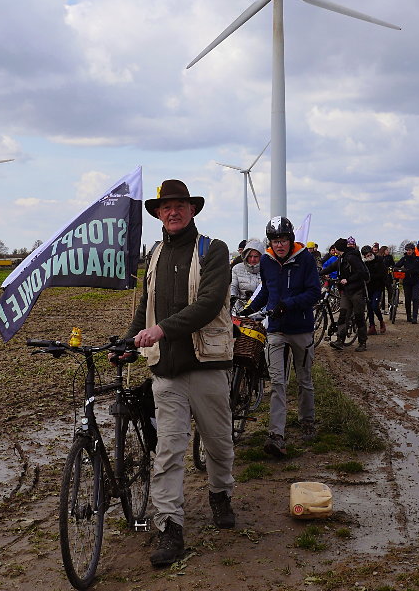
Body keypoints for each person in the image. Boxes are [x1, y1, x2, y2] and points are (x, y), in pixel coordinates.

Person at [126, 179, 235, 567]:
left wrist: (162, 329)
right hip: (167, 372)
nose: (172, 212)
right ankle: (170, 527)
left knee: (219, 443)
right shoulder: (154, 254)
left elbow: (208, 304)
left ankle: (220, 493)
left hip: (206, 366)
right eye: (165, 206)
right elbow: (146, 305)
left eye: (180, 205)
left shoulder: (214, 250)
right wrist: (128, 340)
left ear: (192, 210)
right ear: (158, 213)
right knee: (168, 451)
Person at [246, 216, 321, 458]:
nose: (279, 245)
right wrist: (248, 309)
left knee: (304, 379)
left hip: (300, 329)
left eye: (283, 240)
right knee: (278, 383)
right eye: (275, 240)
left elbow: (313, 293)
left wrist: (287, 305)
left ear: (291, 240)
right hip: (276, 330)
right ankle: (276, 435)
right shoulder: (267, 262)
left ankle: (307, 420)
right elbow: (267, 290)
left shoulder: (305, 260)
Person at [326, 238, 369, 352]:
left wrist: (348, 280)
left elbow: (362, 273)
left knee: (359, 316)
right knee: (343, 315)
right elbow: (332, 267)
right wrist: (319, 272)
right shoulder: (341, 258)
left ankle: (362, 342)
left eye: (335, 247)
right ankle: (340, 340)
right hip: (346, 291)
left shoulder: (352, 258)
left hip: (357, 291)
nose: (334, 249)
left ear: (338, 248)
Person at [394, 243, 419, 323]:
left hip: (416, 281)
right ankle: (408, 316)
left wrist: (414, 271)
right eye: (407, 250)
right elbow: (397, 265)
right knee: (407, 299)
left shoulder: (417, 259)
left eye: (410, 250)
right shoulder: (404, 259)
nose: (408, 251)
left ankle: (415, 317)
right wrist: (398, 269)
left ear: (413, 250)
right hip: (407, 282)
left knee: (416, 298)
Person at [230, 239, 265, 316]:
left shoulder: (267, 269)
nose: (253, 259)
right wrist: (233, 297)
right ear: (246, 256)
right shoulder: (237, 268)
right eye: (250, 256)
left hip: (261, 311)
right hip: (240, 308)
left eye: (256, 256)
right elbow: (233, 286)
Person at [361, 245, 388, 335]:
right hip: (368, 288)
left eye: (369, 255)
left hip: (378, 287)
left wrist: (371, 277)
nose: (368, 257)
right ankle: (372, 326)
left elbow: (383, 273)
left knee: (375, 306)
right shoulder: (363, 263)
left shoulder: (379, 260)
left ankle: (381, 321)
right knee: (369, 307)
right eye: (366, 256)